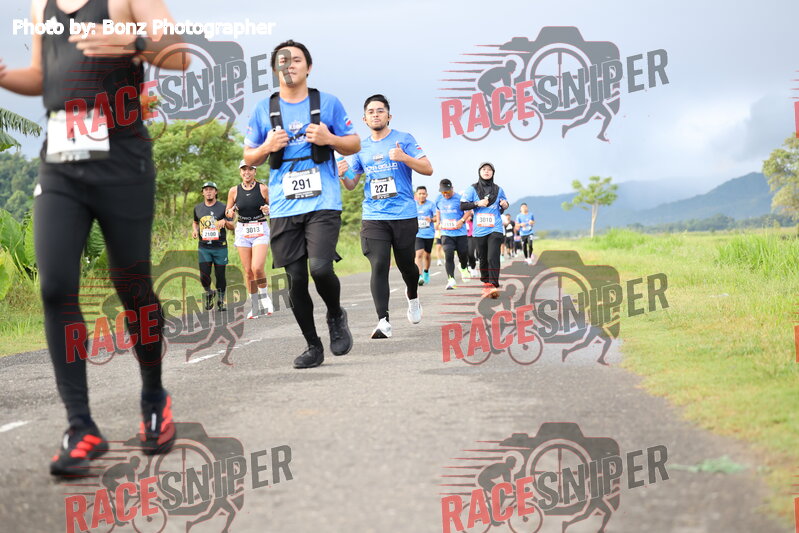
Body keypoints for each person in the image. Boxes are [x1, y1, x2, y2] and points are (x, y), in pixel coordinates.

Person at [0, 0, 187, 475]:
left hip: (122, 157)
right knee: (55, 287)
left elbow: (180, 54)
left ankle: (153, 395)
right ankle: (80, 425)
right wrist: (4, 75)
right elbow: (41, 75)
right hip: (60, 161)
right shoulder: (40, 5)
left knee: (132, 284)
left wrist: (134, 42)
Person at [243, 39, 359, 369]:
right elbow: (249, 155)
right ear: (274, 70)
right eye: (282, 61)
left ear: (308, 67)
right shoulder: (264, 109)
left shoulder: (328, 103)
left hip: (323, 202)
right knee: (296, 280)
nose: (289, 65)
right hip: (284, 206)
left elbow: (354, 143)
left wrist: (330, 139)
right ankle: (313, 345)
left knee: (320, 268)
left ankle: (335, 315)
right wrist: (266, 146)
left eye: (296, 60)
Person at [338, 94, 432, 338]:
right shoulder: (360, 148)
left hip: (403, 214)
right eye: (371, 112)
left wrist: (404, 158)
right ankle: (383, 321)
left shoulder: (404, 139)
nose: (376, 115)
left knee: (407, 266)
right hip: (374, 215)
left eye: (380, 111)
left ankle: (413, 296)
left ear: (389, 116)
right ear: (364, 119)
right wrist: (343, 174)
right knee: (379, 263)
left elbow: (428, 169)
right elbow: (351, 184)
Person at [225, 161, 273, 319]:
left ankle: (264, 297)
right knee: (248, 271)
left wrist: (268, 209)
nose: (247, 172)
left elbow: (275, 208)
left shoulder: (263, 188)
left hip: (260, 229)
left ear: (255, 172)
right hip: (242, 231)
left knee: (257, 267)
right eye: (244, 169)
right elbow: (228, 211)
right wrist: (230, 212)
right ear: (240, 172)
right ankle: (255, 306)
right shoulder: (234, 190)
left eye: (250, 169)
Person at [461, 162, 509, 299]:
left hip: (495, 228)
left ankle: (493, 285)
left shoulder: (499, 189)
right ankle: (486, 283)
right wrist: (478, 203)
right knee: (482, 258)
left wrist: (505, 205)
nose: (486, 171)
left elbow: (504, 204)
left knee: (492, 256)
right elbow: (462, 206)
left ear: (493, 173)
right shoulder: (472, 189)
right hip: (479, 230)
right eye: (484, 169)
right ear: (479, 172)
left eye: (489, 169)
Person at [193, 181, 232, 312]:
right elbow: (195, 222)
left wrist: (225, 221)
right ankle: (209, 292)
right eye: (206, 190)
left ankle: (221, 300)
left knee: (220, 275)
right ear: (202, 193)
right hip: (204, 247)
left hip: (220, 247)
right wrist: (195, 230)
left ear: (216, 192)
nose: (208, 192)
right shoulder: (198, 208)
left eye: (211, 189)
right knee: (204, 276)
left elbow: (232, 226)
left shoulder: (223, 207)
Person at [434, 179, 471, 290]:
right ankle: (451, 280)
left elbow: (469, 211)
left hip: (460, 233)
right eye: (443, 192)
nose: (445, 194)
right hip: (446, 233)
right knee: (448, 254)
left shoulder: (460, 199)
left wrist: (462, 221)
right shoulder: (438, 199)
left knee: (463, 254)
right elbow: (438, 210)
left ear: (452, 188)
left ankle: (463, 267)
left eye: (447, 191)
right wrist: (438, 221)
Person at [414, 186, 436, 286]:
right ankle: (419, 276)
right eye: (420, 194)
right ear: (416, 195)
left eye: (423, 194)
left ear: (426, 195)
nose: (422, 195)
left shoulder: (431, 205)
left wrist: (431, 219)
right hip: (418, 234)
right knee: (419, 254)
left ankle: (426, 271)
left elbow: (436, 217)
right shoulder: (413, 205)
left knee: (427, 255)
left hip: (429, 233)